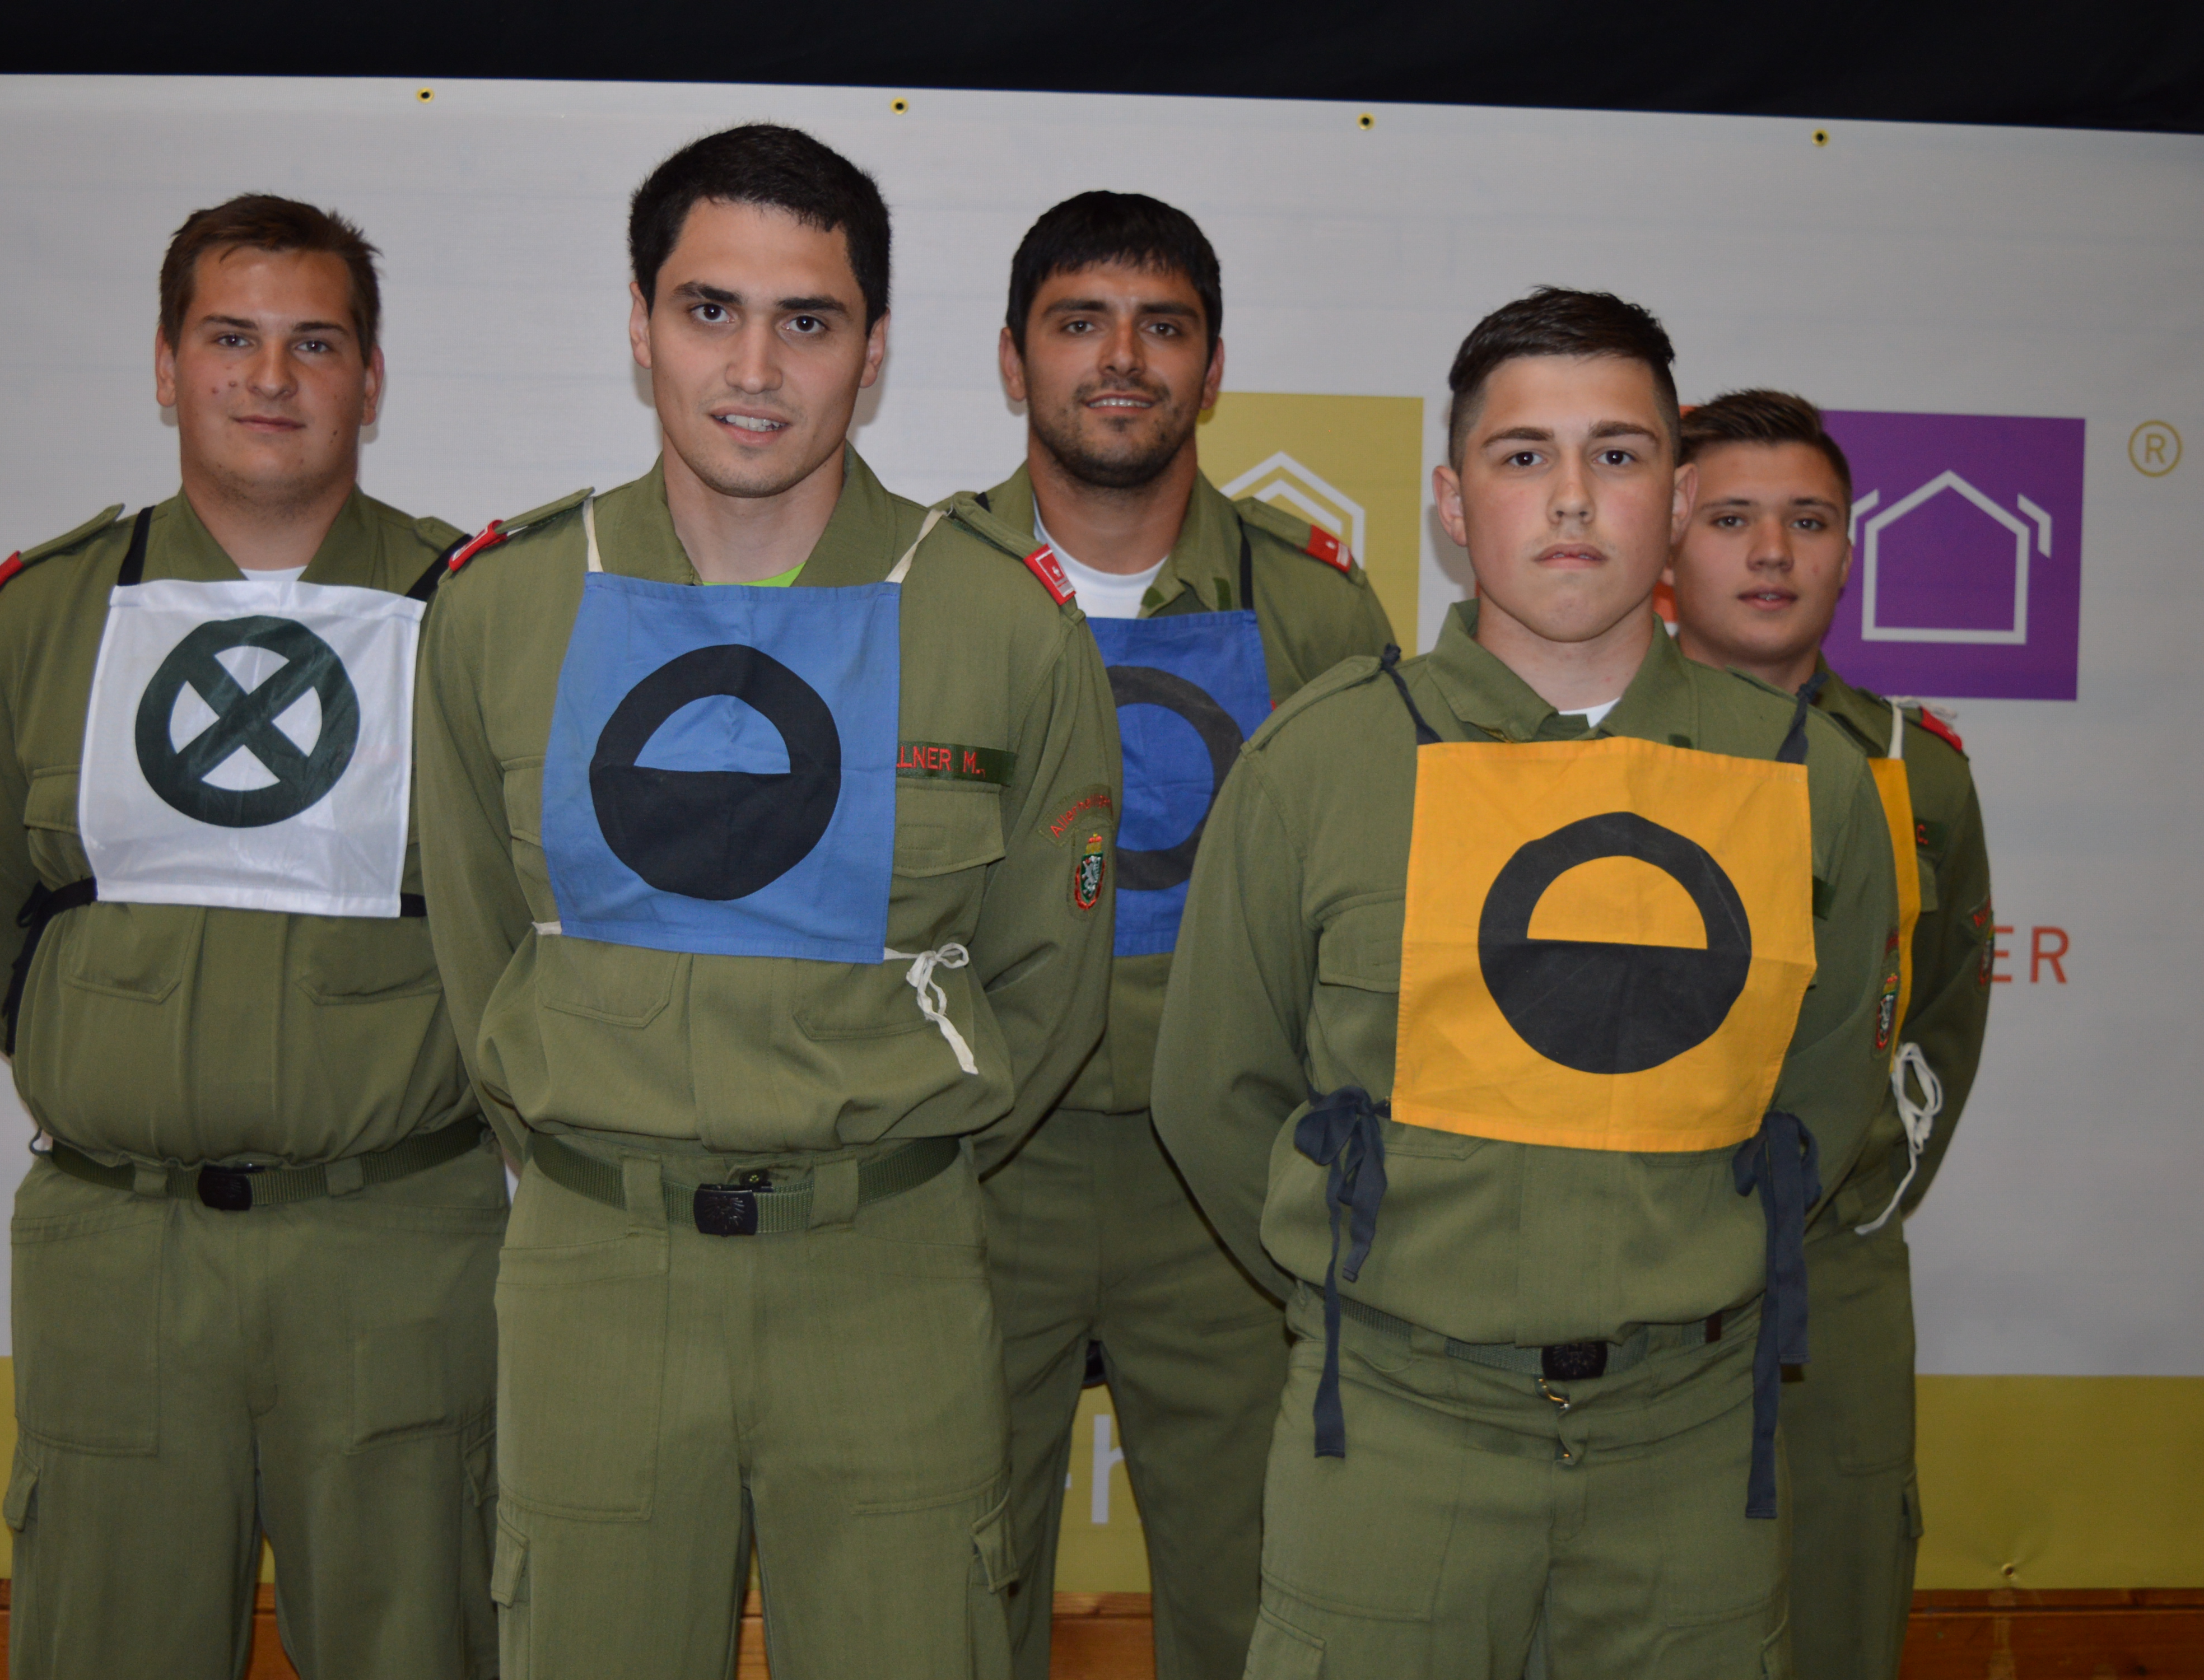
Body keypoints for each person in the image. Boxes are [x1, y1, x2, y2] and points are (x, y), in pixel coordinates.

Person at [413, 124, 1119, 1680]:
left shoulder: (1001, 624)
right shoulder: (503, 607)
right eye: (708, 310)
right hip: (597, 1275)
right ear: (639, 325)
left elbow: (1049, 988)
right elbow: (478, 953)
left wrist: (887, 1167)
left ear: (873, 349)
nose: (754, 368)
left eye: (807, 320)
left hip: (889, 1279)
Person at [1153, 287, 1901, 1677]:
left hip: (1691, 1453)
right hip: (1391, 1436)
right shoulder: (1322, 765)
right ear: (1452, 503)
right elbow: (1217, 1096)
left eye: (1618, 455)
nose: (1572, 499)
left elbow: (1826, 1103)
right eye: (1522, 457)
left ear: (1678, 500)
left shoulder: (1809, 781)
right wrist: (1388, 1290)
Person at [0, 195, 502, 1680]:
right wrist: (128, 1056)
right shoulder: (40, 619)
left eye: (316, 343)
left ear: (371, 378)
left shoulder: (479, 619)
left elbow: (528, 930)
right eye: (230, 338)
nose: (271, 377)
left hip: (400, 1244)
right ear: (167, 367)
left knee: (421, 1643)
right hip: (121, 1251)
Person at [959, 191, 1396, 1680]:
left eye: (1164, 326)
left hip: (1227, 1186)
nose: (1122, 358)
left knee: (1258, 1597)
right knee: (951, 1592)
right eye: (1079, 322)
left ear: (1213, 370)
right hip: (973, 1173)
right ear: (1013, 359)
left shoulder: (1318, 610)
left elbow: (1370, 920)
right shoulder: (919, 586)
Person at [1669, 388, 1994, 1680]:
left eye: (1809, 522)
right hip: (1630, 1261)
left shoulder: (1922, 769)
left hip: (1832, 1263)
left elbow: (1942, 1020)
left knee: (1838, 1598)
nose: (1773, 553)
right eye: (1732, 519)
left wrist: (1844, 1197)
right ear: (1665, 538)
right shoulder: (1590, 751)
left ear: (1849, 552)